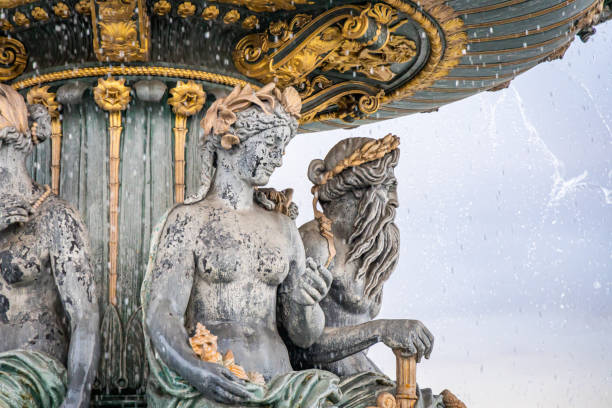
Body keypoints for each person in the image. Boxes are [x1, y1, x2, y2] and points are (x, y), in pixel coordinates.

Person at [0, 84, 100, 408]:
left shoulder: (55, 216)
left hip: (31, 375)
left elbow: (85, 317)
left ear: (13, 144)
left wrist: (77, 395)